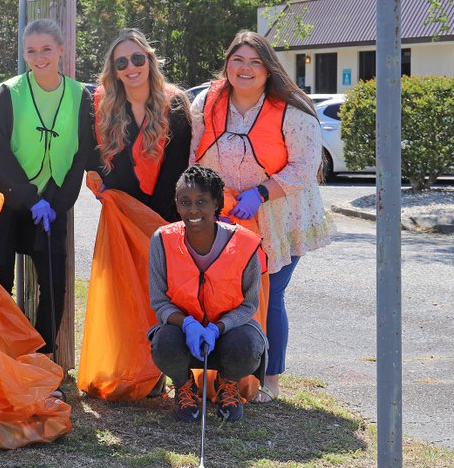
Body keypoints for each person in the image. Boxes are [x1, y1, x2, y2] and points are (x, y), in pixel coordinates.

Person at [190, 30, 333, 401]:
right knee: (226, 296)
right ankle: (227, 373)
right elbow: (193, 155)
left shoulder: (292, 109)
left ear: (269, 69)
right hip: (226, 216)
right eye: (238, 60)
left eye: (255, 62)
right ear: (227, 64)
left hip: (279, 217)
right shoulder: (206, 102)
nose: (245, 68)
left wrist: (261, 193)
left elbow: (305, 167)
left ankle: (269, 379)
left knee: (271, 293)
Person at [0, 18, 95, 358]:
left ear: (61, 50)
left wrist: (55, 202)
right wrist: (28, 198)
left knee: (54, 278)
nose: (39, 57)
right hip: (10, 199)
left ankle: (44, 354)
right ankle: (1, 350)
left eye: (47, 49)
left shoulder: (80, 96)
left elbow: (81, 155)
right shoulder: (8, 91)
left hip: (52, 202)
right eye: (31, 51)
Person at [148, 165, 266, 423]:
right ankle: (183, 386)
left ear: (216, 204)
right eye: (185, 202)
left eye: (201, 202)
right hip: (183, 332)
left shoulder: (245, 244)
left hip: (230, 333)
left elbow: (249, 306)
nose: (192, 210)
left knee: (247, 345)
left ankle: (228, 384)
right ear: (176, 205)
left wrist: (218, 328)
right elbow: (159, 302)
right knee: (163, 342)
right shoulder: (161, 240)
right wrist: (187, 323)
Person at [90, 28, 191, 222]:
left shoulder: (174, 103)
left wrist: (148, 218)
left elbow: (178, 168)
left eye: (137, 58)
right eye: (121, 62)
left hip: (164, 217)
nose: (130, 67)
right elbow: (93, 155)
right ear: (115, 71)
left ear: (149, 61)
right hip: (121, 216)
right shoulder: (103, 106)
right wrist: (111, 193)